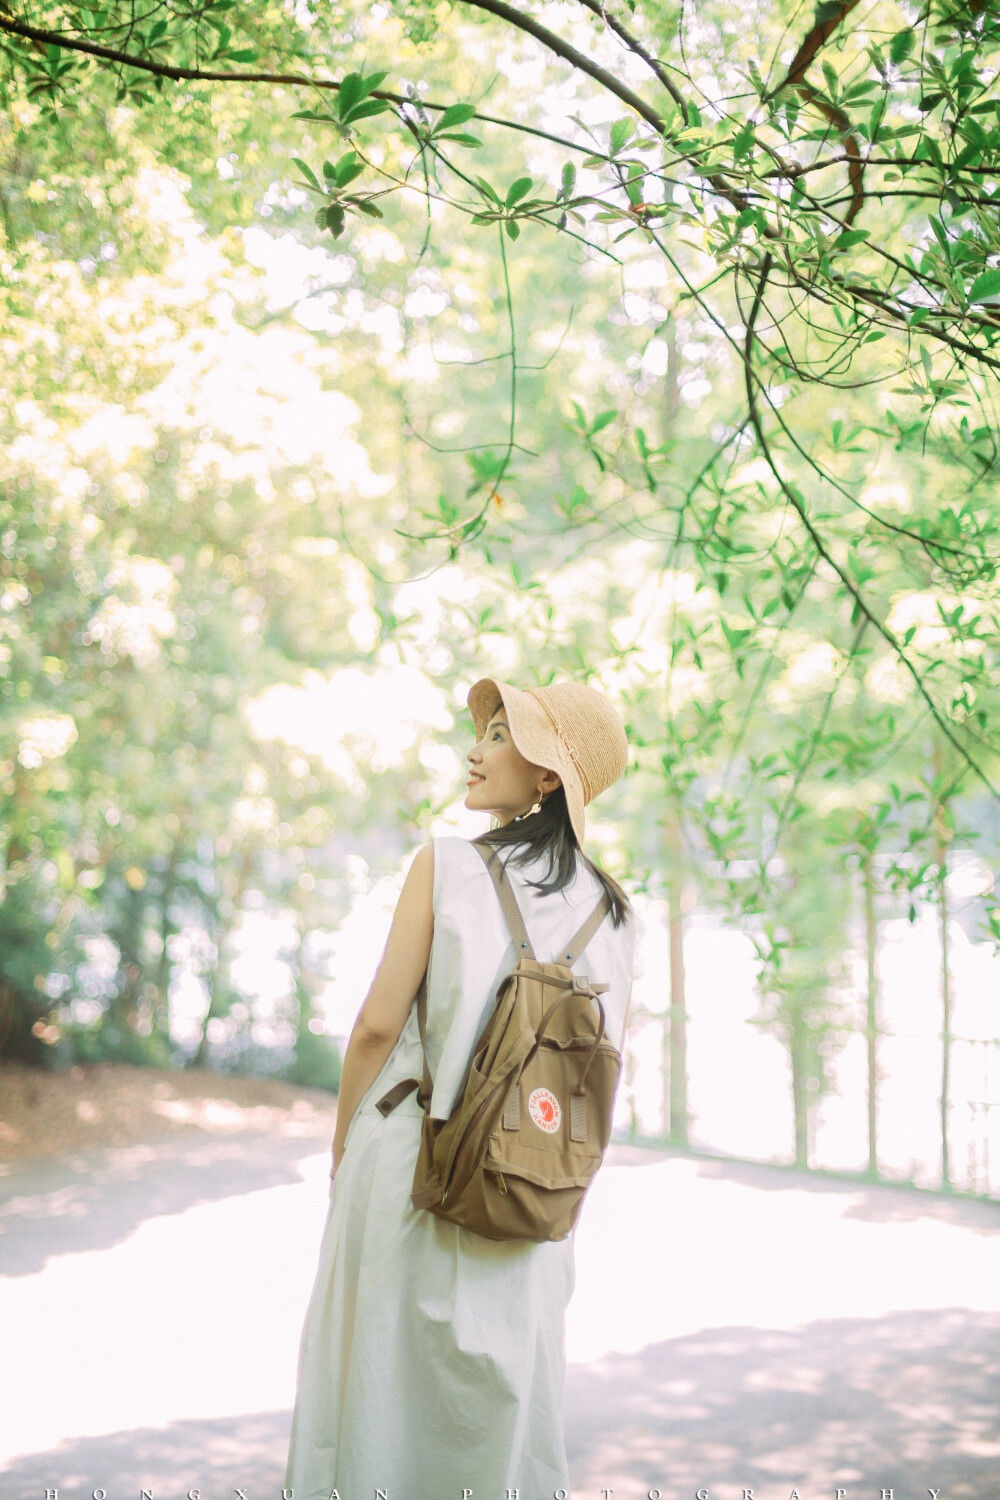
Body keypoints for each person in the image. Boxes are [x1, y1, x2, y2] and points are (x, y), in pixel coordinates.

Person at [284, 676, 638, 1500]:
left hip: (412, 1160)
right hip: (534, 1184)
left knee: (375, 1389)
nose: (473, 751)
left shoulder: (446, 865)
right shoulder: (618, 915)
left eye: (501, 736)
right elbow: (599, 1071)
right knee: (497, 1415)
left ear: (547, 775)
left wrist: (342, 1147)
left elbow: (377, 1027)